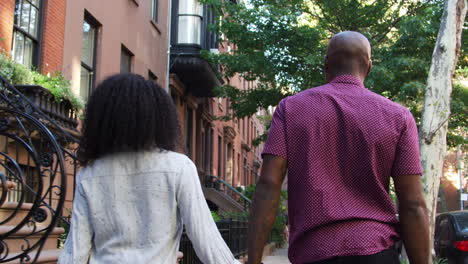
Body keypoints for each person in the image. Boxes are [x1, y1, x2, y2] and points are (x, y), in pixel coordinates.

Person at [246, 31, 429, 264]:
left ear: (326, 65)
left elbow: (269, 184)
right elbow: (412, 203)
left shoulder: (291, 110)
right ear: (369, 67)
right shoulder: (398, 117)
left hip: (315, 253)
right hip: (376, 252)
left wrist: (253, 260)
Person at [58, 73, 240, 264]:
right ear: (157, 118)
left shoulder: (89, 174)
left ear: (103, 118)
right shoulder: (178, 167)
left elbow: (74, 252)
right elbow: (207, 243)